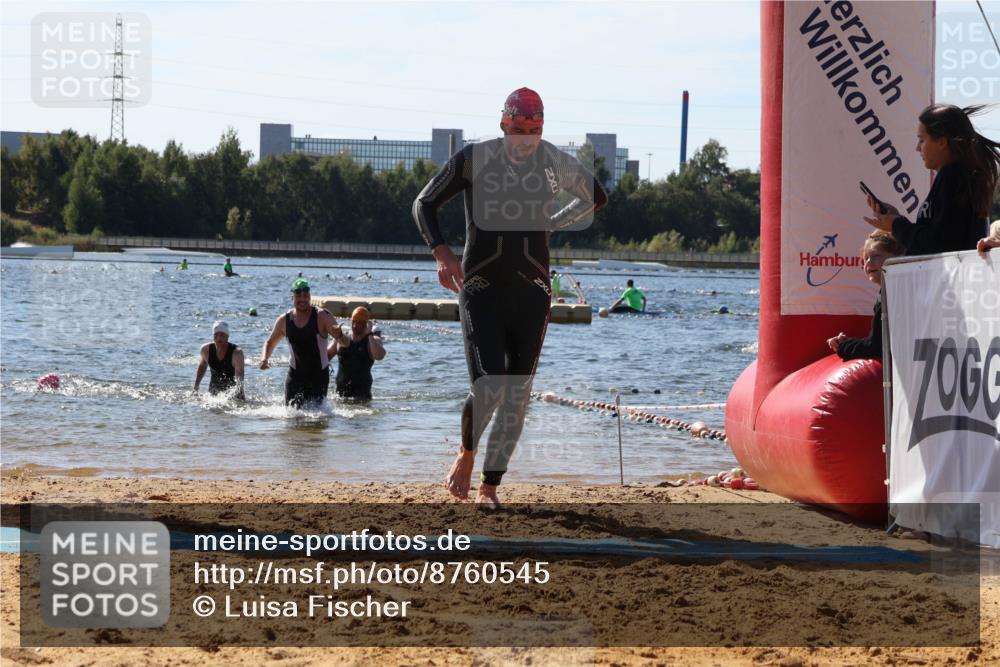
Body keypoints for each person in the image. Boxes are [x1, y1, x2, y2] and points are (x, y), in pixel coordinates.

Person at [413, 86, 608, 506]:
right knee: (489, 387)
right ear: (503, 124)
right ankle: (466, 454)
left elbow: (598, 197)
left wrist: (554, 223)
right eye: (518, 129)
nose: (525, 138)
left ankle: (490, 486)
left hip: (533, 294)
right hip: (481, 289)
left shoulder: (553, 161)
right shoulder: (475, 159)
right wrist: (442, 253)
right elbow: (424, 204)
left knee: (517, 394)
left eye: (533, 131)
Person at [865, 104, 999, 255]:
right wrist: (896, 220)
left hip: (950, 277)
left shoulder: (953, 175)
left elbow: (939, 244)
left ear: (942, 142)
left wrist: (896, 225)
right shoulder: (958, 175)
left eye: (922, 140)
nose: (917, 148)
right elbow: (939, 236)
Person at [260, 278, 350, 408]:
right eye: (298, 296)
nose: (302, 299)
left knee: (318, 420)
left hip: (318, 376)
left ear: (310, 296)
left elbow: (346, 344)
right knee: (291, 418)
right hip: (295, 376)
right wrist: (264, 359)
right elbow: (270, 343)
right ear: (292, 298)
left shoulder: (322, 316)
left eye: (306, 296)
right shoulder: (284, 320)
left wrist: (340, 335)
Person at [827, 231, 904, 360]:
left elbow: (877, 348)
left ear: (896, 258)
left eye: (875, 256)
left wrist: (842, 346)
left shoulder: (894, 293)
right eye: (866, 258)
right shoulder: (889, 291)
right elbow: (878, 341)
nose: (868, 263)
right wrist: (848, 343)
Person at [328, 306, 386, 401]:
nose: (354, 326)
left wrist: (369, 334)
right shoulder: (340, 339)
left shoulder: (373, 340)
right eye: (353, 322)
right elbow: (326, 357)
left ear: (366, 324)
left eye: (359, 323)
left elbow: (379, 356)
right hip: (340, 397)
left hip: (362, 398)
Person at [194, 321, 245, 400]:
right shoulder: (205, 350)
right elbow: (202, 366)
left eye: (222, 335)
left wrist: (240, 396)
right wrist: (196, 387)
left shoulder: (237, 353)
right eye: (216, 335)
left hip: (232, 395)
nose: (219, 338)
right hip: (212, 395)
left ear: (227, 337)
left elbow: (240, 376)